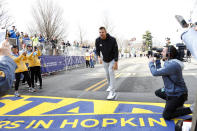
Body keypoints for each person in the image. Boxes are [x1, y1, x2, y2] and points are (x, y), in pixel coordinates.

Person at [149, 45, 193, 120]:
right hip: (172, 91)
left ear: (168, 54)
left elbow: (155, 72)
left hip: (177, 95)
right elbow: (160, 71)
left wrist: (151, 63)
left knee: (166, 115)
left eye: (163, 51)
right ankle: (177, 105)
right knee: (158, 92)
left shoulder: (172, 65)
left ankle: (192, 109)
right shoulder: (171, 63)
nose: (161, 53)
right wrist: (157, 60)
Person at [95, 27, 119, 100]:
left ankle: (112, 92)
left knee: (111, 72)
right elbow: (97, 50)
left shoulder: (112, 39)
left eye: (102, 32)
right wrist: (99, 57)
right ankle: (110, 86)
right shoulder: (98, 40)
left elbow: (116, 51)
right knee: (107, 74)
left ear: (105, 32)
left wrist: (116, 62)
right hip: (105, 60)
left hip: (112, 59)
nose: (101, 34)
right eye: (100, 32)